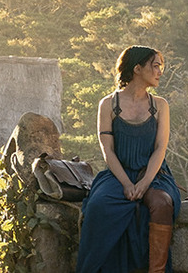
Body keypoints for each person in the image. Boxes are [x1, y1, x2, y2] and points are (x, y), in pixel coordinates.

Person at [76, 46, 181, 273]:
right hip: (117, 174)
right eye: (155, 65)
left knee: (162, 204)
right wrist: (126, 184)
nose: (159, 71)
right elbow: (108, 150)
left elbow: (160, 149)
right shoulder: (107, 104)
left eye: (160, 66)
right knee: (97, 206)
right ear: (137, 68)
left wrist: (143, 184)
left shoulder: (160, 106)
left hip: (154, 174)